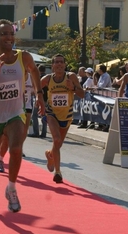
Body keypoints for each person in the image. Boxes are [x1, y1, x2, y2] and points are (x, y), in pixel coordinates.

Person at [0, 19, 45, 215]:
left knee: (15, 150)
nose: (9, 37)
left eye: (11, 33)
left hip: (15, 113)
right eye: (4, 34)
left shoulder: (24, 57)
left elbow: (35, 71)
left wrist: (39, 95)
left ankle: (11, 188)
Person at [42, 54, 85, 183]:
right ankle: (58, 172)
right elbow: (37, 90)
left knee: (58, 144)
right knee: (56, 139)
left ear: (65, 65)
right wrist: (41, 104)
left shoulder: (71, 77)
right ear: (52, 66)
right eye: (57, 62)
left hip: (66, 115)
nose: (59, 64)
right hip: (51, 113)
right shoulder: (47, 79)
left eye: (62, 62)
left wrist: (73, 88)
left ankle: (50, 155)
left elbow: (82, 94)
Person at [29, 64, 47, 138]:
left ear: (38, 70)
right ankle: (44, 133)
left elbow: (36, 88)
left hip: (38, 98)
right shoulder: (47, 78)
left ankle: (36, 132)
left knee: (34, 115)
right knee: (44, 115)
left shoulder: (38, 78)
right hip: (46, 98)